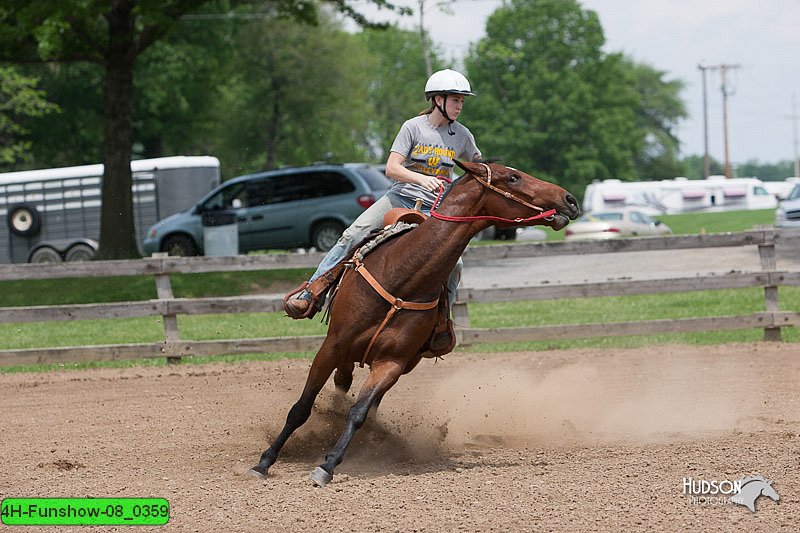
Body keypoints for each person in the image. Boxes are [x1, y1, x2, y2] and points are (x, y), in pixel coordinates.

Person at [284, 69, 482, 350]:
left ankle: (441, 325)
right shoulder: (413, 127)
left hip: (434, 211)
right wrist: (422, 178)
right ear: (438, 99)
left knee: (456, 266)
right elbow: (392, 168)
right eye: (455, 100)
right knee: (353, 234)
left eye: (462, 101)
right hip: (399, 199)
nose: (460, 105)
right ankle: (313, 291)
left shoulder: (461, 136)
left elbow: (477, 168)